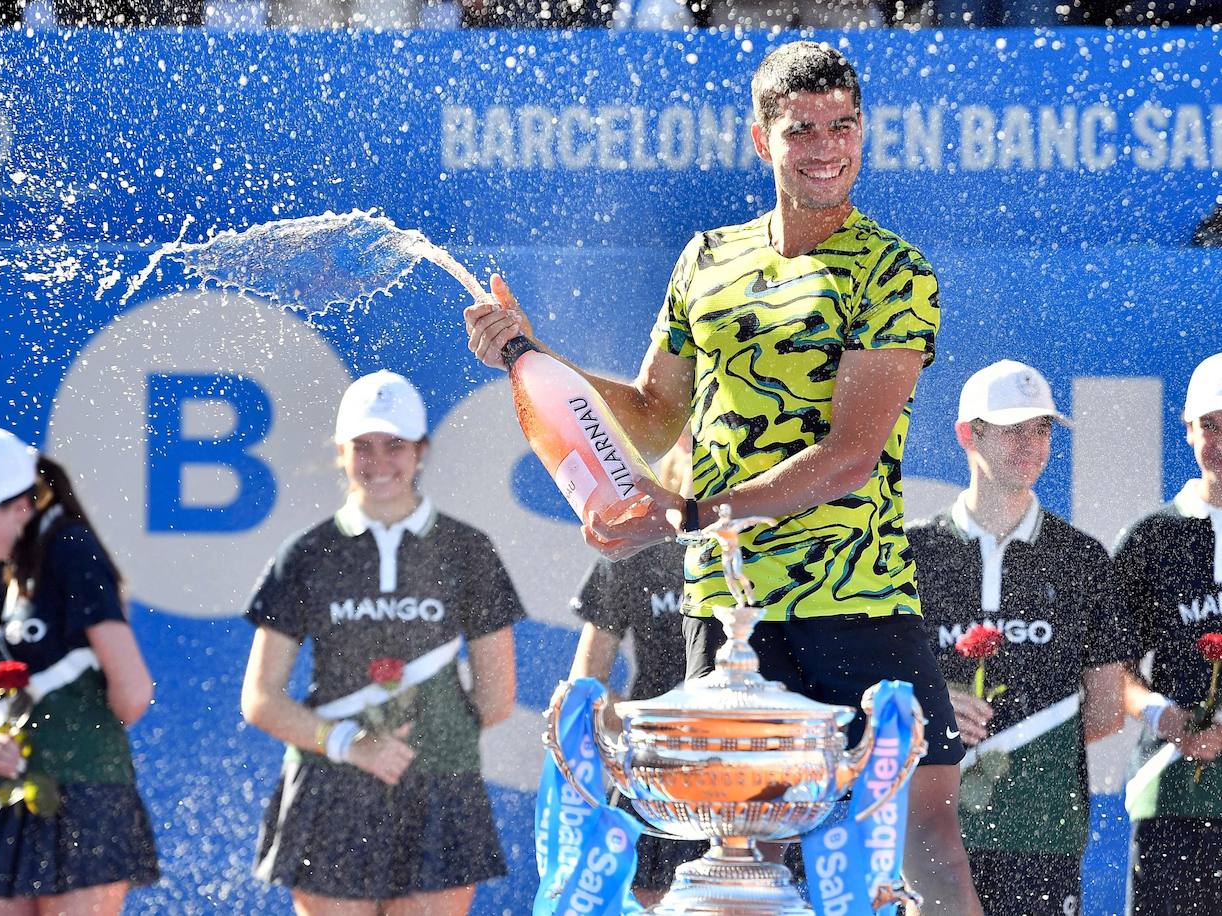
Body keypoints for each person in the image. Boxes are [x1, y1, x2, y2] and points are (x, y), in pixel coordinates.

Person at [466, 40, 982, 915]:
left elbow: (853, 456)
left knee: (926, 844)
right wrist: (530, 353)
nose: (826, 146)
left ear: (864, 132)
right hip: (729, 601)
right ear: (760, 139)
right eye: (802, 129)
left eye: (844, 126)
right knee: (747, 852)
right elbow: (656, 409)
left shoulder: (895, 270)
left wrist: (693, 508)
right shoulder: (707, 258)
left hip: (855, 594)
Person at [240, 370, 523, 916]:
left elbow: (497, 698)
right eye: (363, 447)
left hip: (440, 790)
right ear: (341, 453)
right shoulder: (308, 552)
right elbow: (259, 698)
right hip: (332, 785)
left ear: (421, 450)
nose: (378, 462)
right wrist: (354, 743)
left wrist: (424, 743)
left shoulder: (467, 551)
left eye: (395, 445)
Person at [0, 426, 159, 914]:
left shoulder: (72, 549)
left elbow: (133, 689)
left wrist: (73, 740)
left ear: (20, 505)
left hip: (85, 789)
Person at [908, 360, 1130, 916]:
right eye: (1014, 429)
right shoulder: (911, 557)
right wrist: (928, 708)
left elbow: (1106, 708)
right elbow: (870, 690)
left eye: (1043, 428)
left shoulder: (1081, 558)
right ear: (968, 434)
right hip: (933, 834)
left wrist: (1028, 754)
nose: (1033, 444)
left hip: (1043, 833)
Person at [566, 436, 708, 908]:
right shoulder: (636, 547)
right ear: (675, 453)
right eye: (694, 444)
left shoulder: (772, 550)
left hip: (742, 772)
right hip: (651, 774)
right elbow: (585, 689)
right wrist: (645, 723)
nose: (704, 457)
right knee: (647, 900)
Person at [1115, 352, 1222, 916]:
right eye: (1211, 425)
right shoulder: (1153, 538)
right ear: (1187, 431)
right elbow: (1111, 669)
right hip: (1172, 798)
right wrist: (1163, 715)